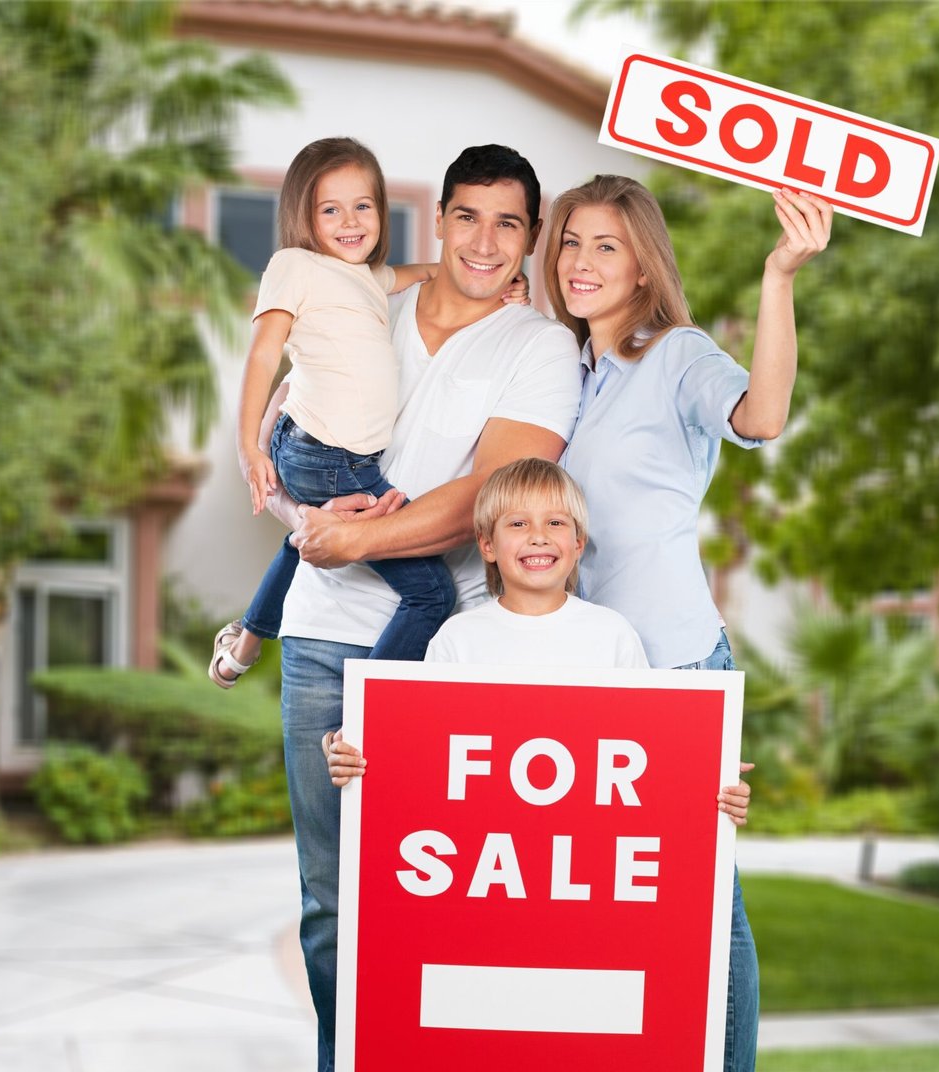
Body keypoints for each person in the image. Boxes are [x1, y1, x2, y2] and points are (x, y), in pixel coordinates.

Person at [266, 145, 582, 1072]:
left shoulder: (539, 345)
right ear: (437, 220)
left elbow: (491, 493)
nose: (484, 241)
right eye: (467, 216)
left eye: (508, 223)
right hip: (324, 640)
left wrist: (354, 539)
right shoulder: (371, 308)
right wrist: (305, 520)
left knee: (451, 897)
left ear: (531, 238)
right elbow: (286, 436)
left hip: (457, 650)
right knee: (331, 899)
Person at [543, 174, 832, 1072]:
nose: (582, 261)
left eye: (607, 246)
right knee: (606, 901)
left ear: (643, 268)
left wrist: (779, 277)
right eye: (571, 242)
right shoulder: (568, 370)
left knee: (703, 900)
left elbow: (762, 415)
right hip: (583, 674)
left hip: (671, 670)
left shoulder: (677, 354)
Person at [211, 137, 527, 689]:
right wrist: (248, 449)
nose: (351, 221)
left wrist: (504, 279)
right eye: (330, 210)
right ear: (303, 217)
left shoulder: (367, 278)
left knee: (312, 534)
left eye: (363, 206)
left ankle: (247, 639)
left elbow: (425, 272)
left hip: (326, 451)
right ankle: (365, 712)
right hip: (328, 454)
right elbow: (262, 356)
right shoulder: (294, 266)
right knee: (432, 594)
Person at [322, 456, 753, 830]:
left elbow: (643, 751)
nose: (538, 536)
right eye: (518, 523)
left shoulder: (612, 635)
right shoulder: (457, 640)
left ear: (578, 544)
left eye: (556, 523)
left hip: (583, 842)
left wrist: (704, 778)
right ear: (487, 545)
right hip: (486, 843)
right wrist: (352, 756)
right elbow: (426, 757)